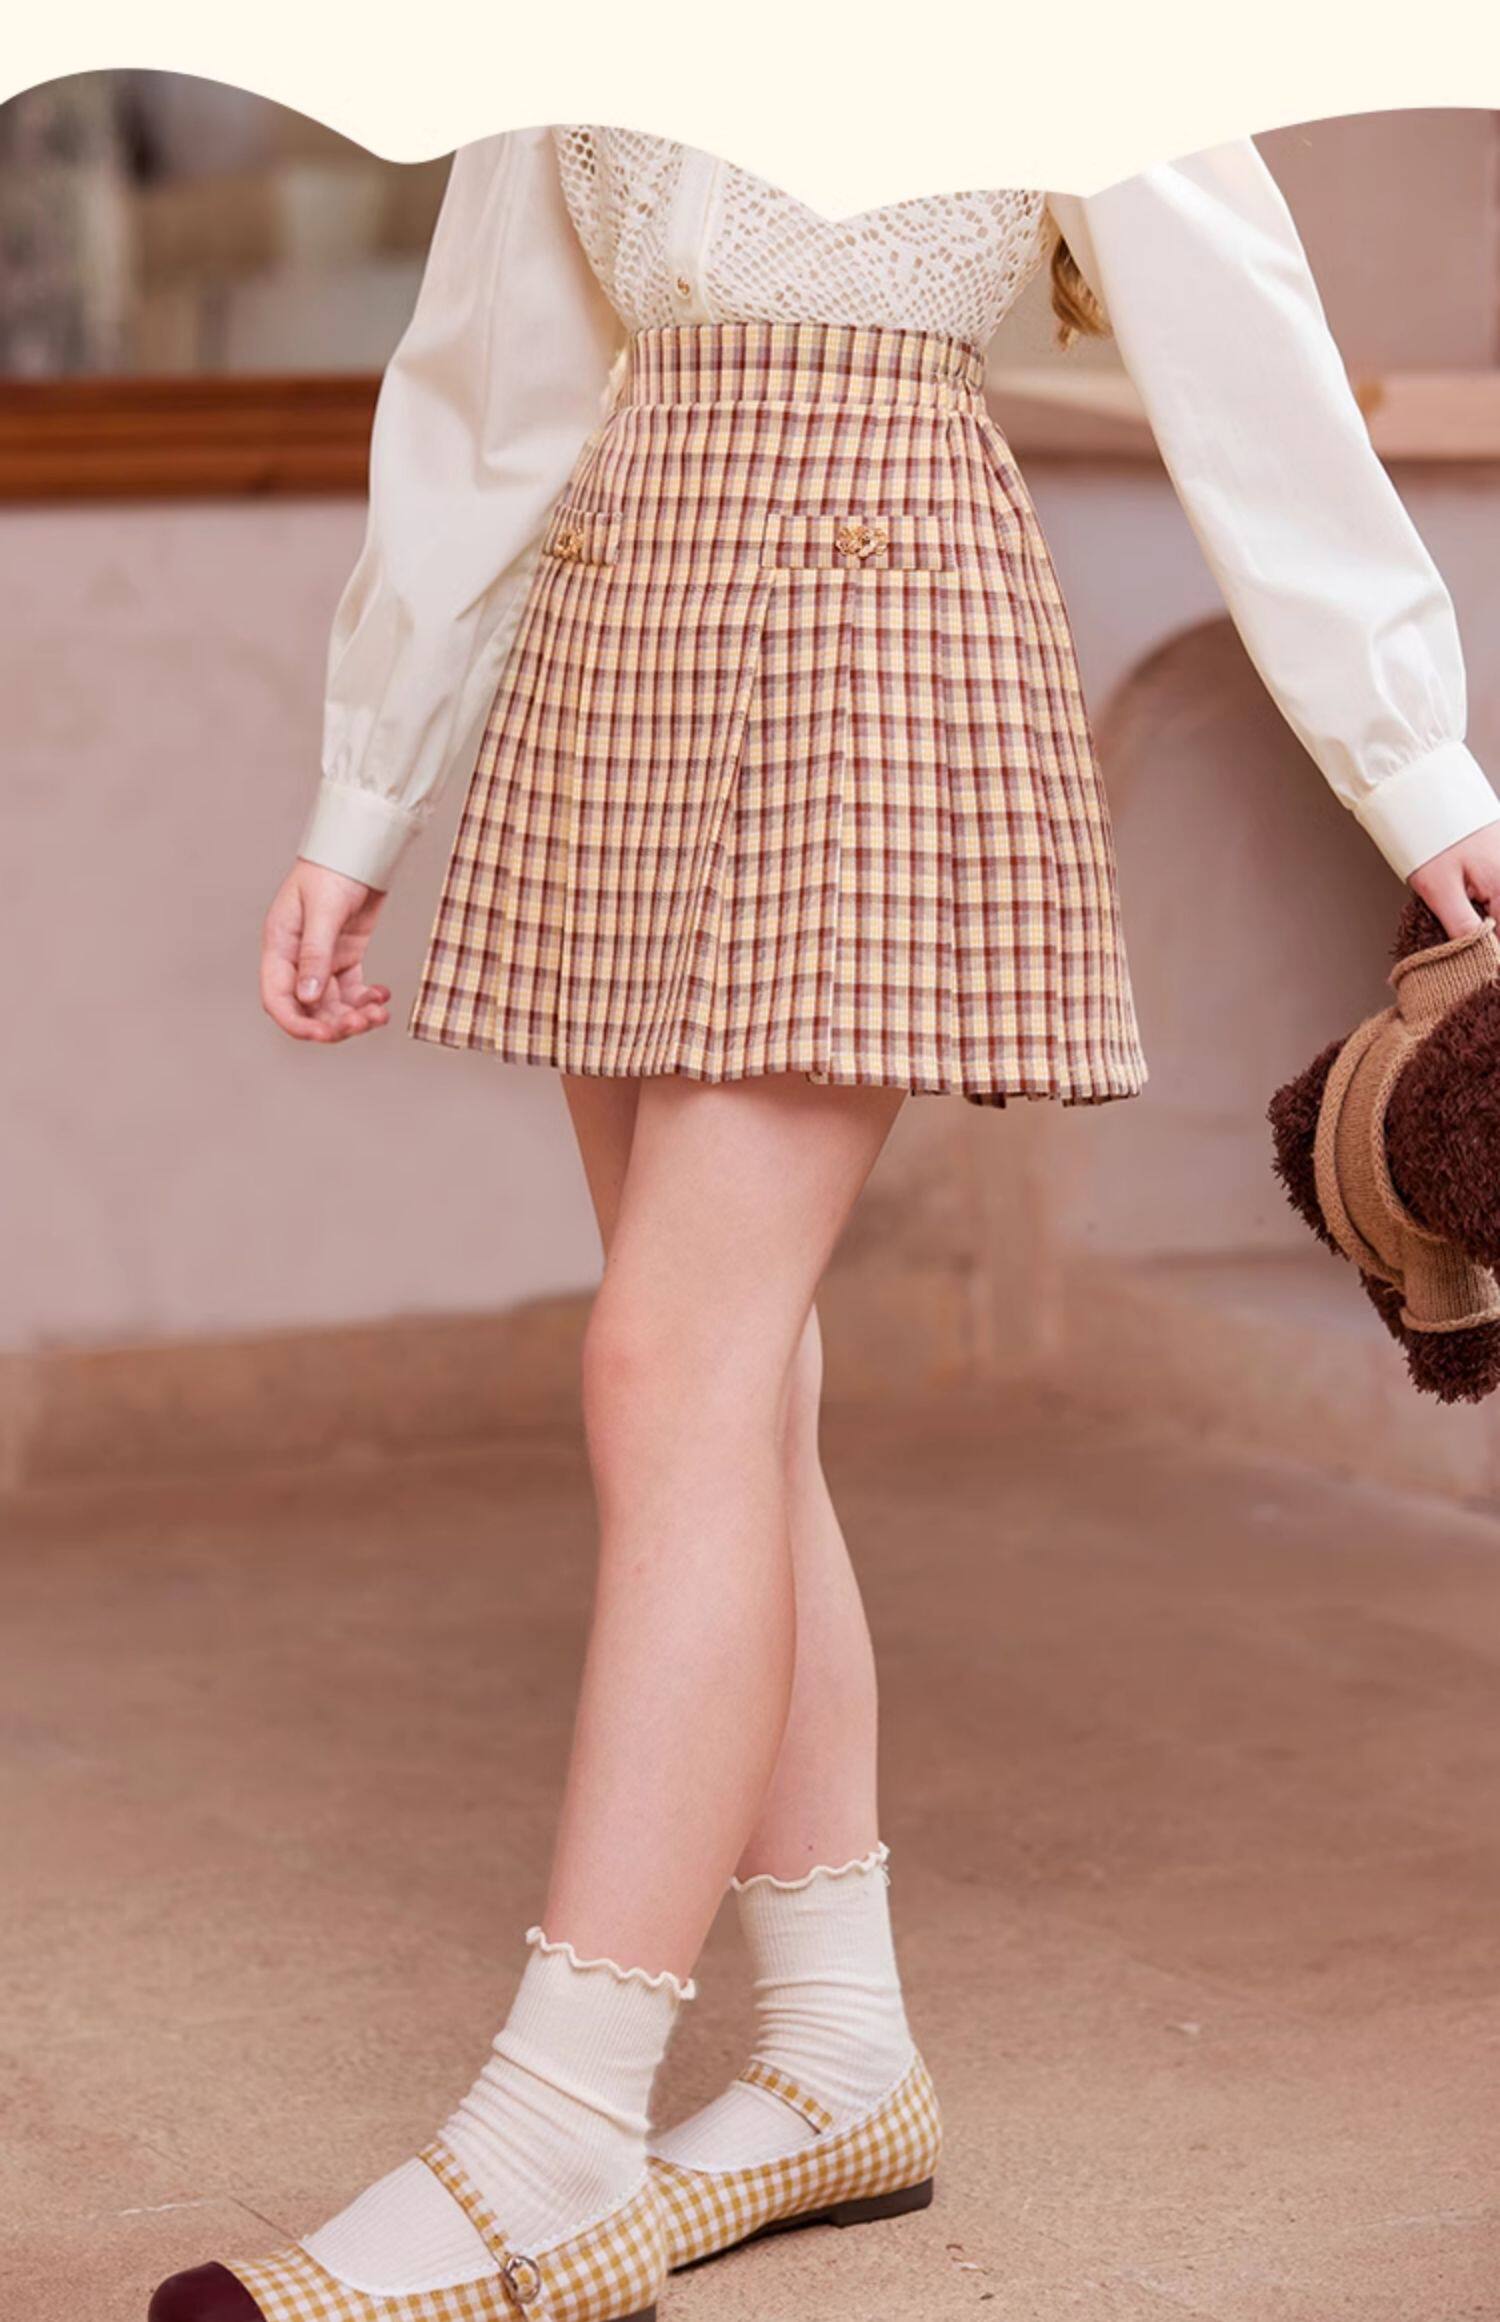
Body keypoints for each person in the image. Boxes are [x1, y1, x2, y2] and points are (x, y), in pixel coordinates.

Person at [150, 124, 1500, 2322]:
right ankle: (839, 2054)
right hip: (625, 628)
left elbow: (1242, 352)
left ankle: (556, 2133)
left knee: (665, 1363)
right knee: (728, 1384)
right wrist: (365, 789)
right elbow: (492, 375)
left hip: (880, 625)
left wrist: (1419, 766)